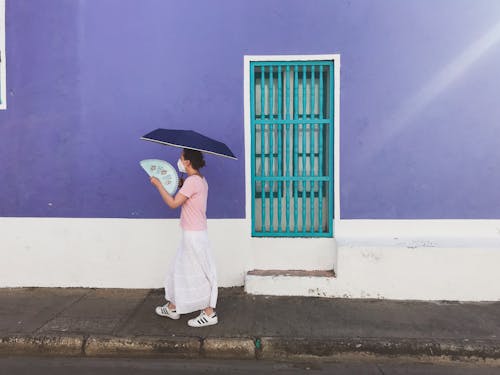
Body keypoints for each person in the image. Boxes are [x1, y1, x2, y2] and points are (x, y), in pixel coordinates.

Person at [149, 148, 218, 327]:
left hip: (193, 235)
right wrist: (181, 185)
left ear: (187, 162)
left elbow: (173, 204)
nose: (178, 161)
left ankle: (209, 313)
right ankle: (173, 307)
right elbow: (191, 198)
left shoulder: (192, 182)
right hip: (195, 233)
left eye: (181, 158)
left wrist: (159, 186)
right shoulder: (199, 180)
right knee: (178, 270)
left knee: (196, 272)